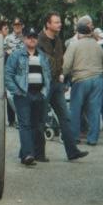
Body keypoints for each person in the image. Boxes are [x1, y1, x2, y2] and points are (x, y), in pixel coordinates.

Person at [37, 12, 88, 161]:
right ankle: (39, 153)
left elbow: (61, 60)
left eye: (59, 22)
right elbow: (44, 62)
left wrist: (62, 76)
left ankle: (72, 152)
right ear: (48, 24)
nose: (59, 24)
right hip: (43, 85)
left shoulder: (58, 40)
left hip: (57, 84)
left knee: (65, 118)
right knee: (40, 120)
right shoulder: (39, 40)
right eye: (56, 22)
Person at [4, 27, 51, 166]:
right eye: (29, 37)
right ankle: (28, 155)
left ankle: (28, 152)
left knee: (37, 125)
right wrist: (16, 91)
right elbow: (8, 75)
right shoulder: (16, 55)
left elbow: (47, 76)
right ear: (24, 39)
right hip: (23, 94)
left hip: (39, 95)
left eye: (34, 37)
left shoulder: (42, 56)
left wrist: (44, 92)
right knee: (25, 125)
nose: (32, 39)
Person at [63, 19, 103, 146]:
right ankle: (93, 139)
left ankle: (75, 137)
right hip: (97, 80)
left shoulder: (74, 45)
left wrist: (63, 75)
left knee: (75, 109)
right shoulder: (97, 45)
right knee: (94, 110)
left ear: (78, 33)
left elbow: (66, 65)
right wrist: (99, 75)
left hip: (80, 79)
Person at [3, 18, 25, 127]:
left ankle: (20, 118)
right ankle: (12, 119)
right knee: (10, 95)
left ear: (22, 26)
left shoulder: (26, 39)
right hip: (11, 69)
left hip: (22, 70)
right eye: (15, 25)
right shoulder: (7, 39)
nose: (17, 26)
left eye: (19, 24)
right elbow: (2, 53)